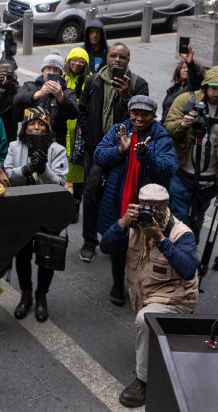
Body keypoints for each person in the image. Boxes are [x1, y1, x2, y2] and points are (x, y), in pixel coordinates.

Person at [99, 183, 199, 408]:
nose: (151, 214)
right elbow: (105, 247)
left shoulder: (180, 233)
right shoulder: (133, 226)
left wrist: (161, 239)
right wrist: (122, 223)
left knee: (145, 319)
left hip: (177, 299)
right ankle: (160, 345)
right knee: (146, 317)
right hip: (146, 296)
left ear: (166, 207)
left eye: (157, 209)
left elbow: (188, 269)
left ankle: (142, 381)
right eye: (147, 208)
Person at [95, 95, 178, 306]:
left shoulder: (160, 137)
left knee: (146, 245)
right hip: (119, 197)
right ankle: (117, 283)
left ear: (153, 116)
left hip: (147, 201)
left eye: (145, 114)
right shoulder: (119, 130)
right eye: (135, 113)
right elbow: (99, 155)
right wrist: (120, 149)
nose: (139, 118)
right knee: (118, 242)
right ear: (129, 113)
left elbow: (169, 169)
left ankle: (143, 285)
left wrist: (146, 154)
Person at [78, 42, 149, 264]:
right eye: (113, 56)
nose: (117, 60)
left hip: (123, 152)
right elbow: (83, 111)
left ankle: (113, 239)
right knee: (90, 196)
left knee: (118, 197)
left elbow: (142, 119)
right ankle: (90, 242)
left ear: (128, 60)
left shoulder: (138, 84)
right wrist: (91, 139)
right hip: (95, 149)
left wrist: (127, 96)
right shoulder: (93, 81)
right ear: (106, 58)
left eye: (122, 57)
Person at [4, 107, 69, 322]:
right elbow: (7, 176)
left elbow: (60, 182)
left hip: (47, 209)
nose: (37, 127)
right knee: (22, 254)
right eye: (32, 123)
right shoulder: (15, 146)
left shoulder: (57, 149)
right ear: (25, 126)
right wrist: (26, 169)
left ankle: (42, 295)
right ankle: (25, 294)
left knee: (46, 254)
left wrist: (43, 170)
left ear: (48, 127)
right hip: (22, 208)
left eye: (41, 124)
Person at [164, 65, 218, 238]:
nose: (217, 93)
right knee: (178, 216)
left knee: (198, 216)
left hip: (210, 178)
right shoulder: (186, 100)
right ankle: (176, 251)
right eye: (214, 88)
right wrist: (183, 124)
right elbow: (167, 128)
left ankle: (188, 252)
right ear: (206, 86)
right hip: (183, 173)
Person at [14, 50, 79, 146]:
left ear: (61, 74)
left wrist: (60, 97)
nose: (51, 72)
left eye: (56, 70)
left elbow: (74, 114)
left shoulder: (67, 92)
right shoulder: (30, 86)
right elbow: (17, 100)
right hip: (29, 140)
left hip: (56, 143)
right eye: (48, 68)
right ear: (43, 70)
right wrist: (38, 94)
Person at [63, 47, 92, 222]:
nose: (77, 63)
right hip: (63, 128)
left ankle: (75, 204)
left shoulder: (90, 81)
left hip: (80, 132)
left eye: (81, 61)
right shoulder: (63, 78)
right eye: (74, 60)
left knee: (78, 169)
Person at [0, 60, 20, 143]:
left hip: (11, 125)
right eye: (2, 73)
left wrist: (11, 87)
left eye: (8, 73)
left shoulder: (16, 87)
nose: (5, 76)